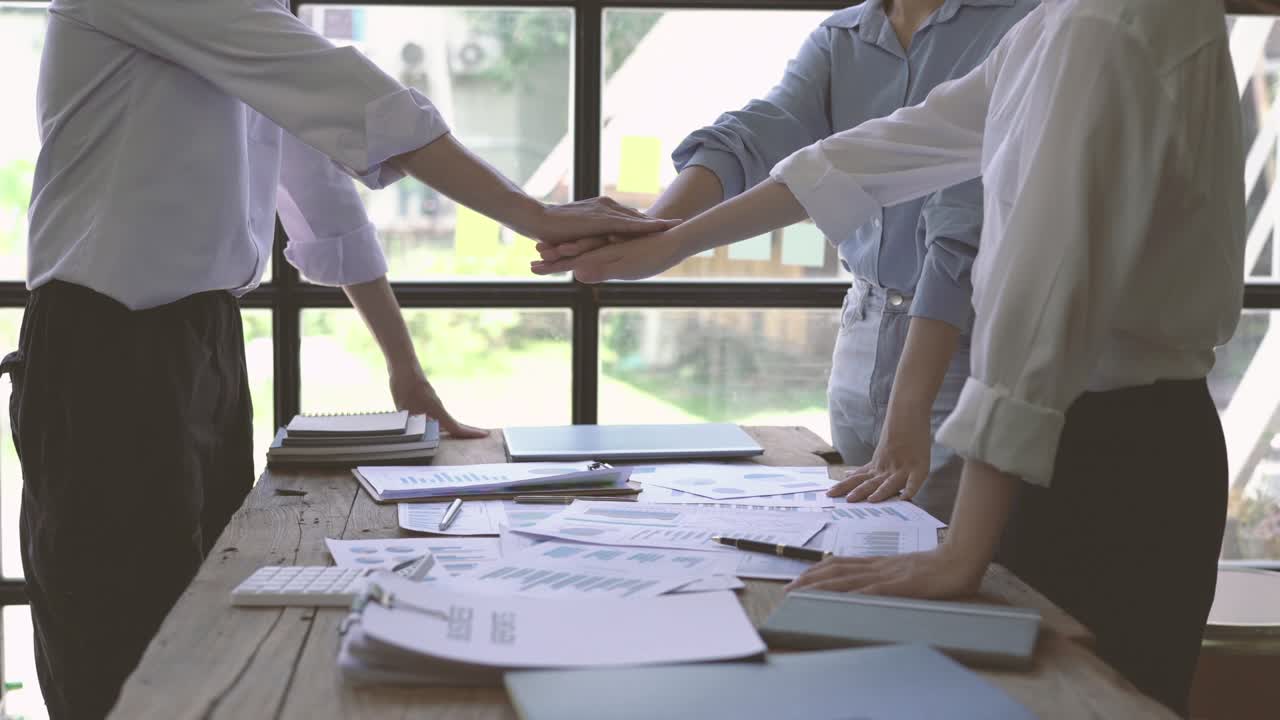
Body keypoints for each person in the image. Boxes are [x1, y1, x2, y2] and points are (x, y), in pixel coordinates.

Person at [534, 0, 1244, 713]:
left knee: (1085, 699)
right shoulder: (1062, 22)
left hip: (1117, 457)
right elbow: (886, 149)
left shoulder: (1104, 23)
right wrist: (668, 242)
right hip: (1104, 442)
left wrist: (961, 553)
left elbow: (1039, 291)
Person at [13, 1, 674, 717]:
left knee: (202, 615)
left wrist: (405, 371)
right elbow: (354, 92)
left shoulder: (255, 21)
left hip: (201, 341)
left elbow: (322, 196)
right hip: (106, 345)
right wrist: (535, 215)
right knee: (117, 642)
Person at [548, 0, 1037, 523]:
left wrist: (908, 406)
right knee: (855, 554)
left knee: (945, 570)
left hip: (957, 349)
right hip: (861, 341)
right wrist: (651, 232)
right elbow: (755, 135)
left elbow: (962, 225)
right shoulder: (844, 34)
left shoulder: (1025, 23)